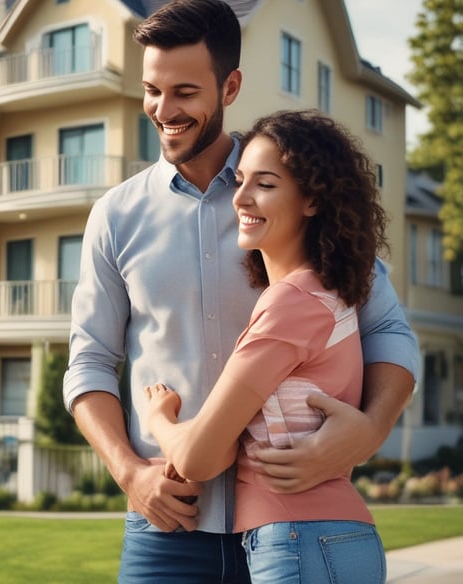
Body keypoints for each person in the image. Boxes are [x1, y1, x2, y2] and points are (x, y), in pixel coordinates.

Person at [62, 0, 419, 582]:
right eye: (152, 90)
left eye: (184, 91)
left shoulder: (284, 194)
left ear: (229, 87)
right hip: (168, 524)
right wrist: (131, 473)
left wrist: (371, 428)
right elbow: (90, 363)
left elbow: (387, 329)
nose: (163, 109)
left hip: (291, 521)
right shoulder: (115, 217)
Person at [145, 109, 390, 584]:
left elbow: (198, 457)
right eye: (239, 180)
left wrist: (159, 418)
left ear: (312, 200)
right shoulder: (328, 294)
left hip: (301, 540)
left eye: (266, 184)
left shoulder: (290, 304)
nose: (240, 197)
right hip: (334, 538)